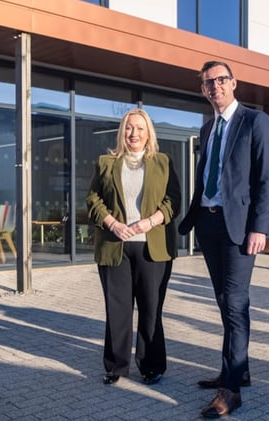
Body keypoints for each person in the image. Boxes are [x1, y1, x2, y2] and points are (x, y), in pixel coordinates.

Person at [178, 61, 269, 418]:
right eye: (207, 83)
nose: (214, 86)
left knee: (234, 303)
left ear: (234, 83)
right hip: (208, 224)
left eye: (221, 80)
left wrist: (260, 227)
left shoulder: (255, 122)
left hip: (239, 228)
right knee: (226, 301)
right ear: (203, 90)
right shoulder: (207, 129)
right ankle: (238, 369)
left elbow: (266, 178)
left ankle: (230, 390)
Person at [86, 108, 181, 386]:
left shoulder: (163, 162)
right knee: (118, 310)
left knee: (151, 310)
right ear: (122, 132)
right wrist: (113, 224)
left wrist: (150, 221)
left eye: (140, 128)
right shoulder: (105, 162)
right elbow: (92, 199)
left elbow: (174, 200)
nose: (134, 134)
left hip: (153, 247)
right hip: (115, 246)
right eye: (129, 128)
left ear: (148, 132)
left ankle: (151, 366)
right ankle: (116, 366)